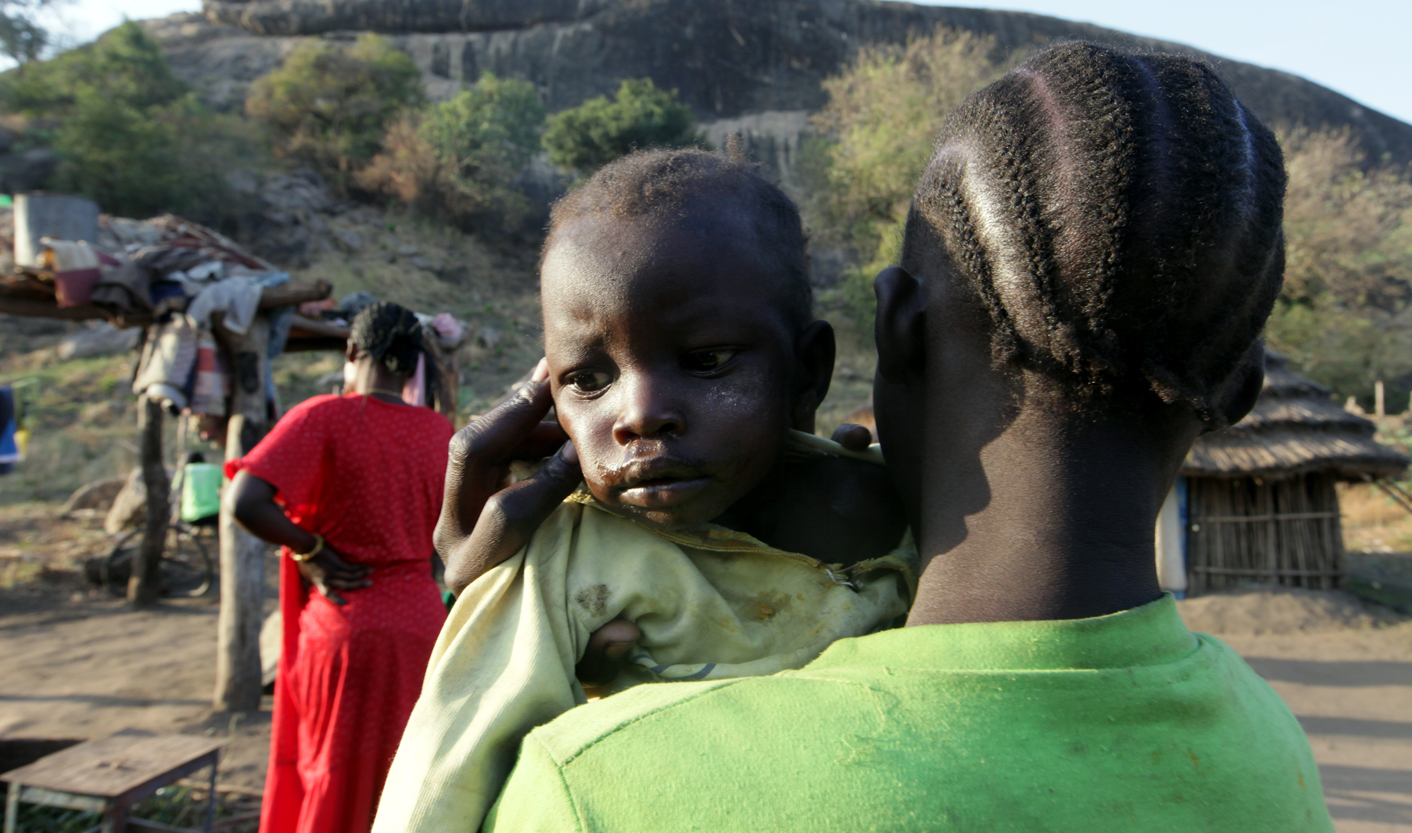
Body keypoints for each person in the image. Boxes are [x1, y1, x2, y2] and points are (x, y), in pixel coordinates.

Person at [475, 43, 1335, 831]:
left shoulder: (601, 784)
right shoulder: (1271, 749)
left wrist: (487, 619)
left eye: (703, 360)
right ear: (1240, 391)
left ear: (898, 329)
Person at [372, 148, 913, 832]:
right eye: (589, 379)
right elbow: (441, 779)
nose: (638, 414)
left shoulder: (907, 507)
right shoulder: (562, 558)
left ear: (807, 371)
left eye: (706, 359)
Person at [225, 302, 454, 833]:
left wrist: (310, 550)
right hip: (423, 627)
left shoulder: (322, 416)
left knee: (333, 773)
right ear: (411, 364)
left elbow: (243, 501)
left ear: (353, 352)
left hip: (346, 627)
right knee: (407, 777)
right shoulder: (439, 431)